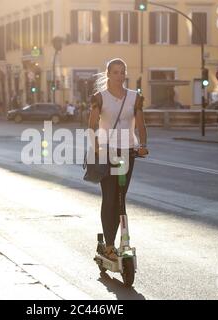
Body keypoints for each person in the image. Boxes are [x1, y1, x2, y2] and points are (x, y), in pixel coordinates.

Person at [88, 58, 149, 261]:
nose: (120, 76)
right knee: (110, 198)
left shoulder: (134, 97)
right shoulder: (100, 97)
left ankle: (120, 241)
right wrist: (96, 148)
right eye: (115, 72)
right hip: (107, 152)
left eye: (122, 72)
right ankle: (110, 245)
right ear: (108, 74)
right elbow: (92, 126)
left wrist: (142, 145)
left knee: (121, 198)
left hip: (128, 152)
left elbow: (140, 125)